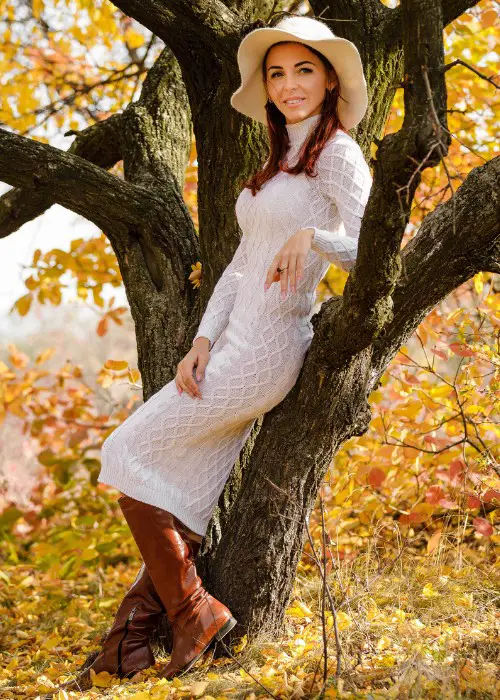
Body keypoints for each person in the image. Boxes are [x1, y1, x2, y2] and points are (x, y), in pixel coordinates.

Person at [54, 11, 373, 694]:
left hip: (270, 348)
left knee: (125, 451)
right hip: (232, 341)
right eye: (277, 73)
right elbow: (235, 268)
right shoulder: (277, 162)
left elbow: (381, 245)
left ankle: (196, 612)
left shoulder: (339, 155)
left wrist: (316, 238)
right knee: (186, 495)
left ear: (329, 80)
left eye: (304, 71)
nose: (289, 84)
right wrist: (200, 341)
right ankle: (127, 644)